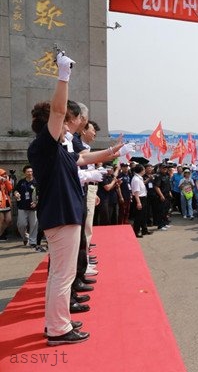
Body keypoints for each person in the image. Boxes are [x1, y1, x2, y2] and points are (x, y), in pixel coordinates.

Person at [27, 49, 123, 345]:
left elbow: (82, 159)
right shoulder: (44, 146)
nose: (70, 126)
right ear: (53, 125)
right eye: (66, 122)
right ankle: (59, 329)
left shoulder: (57, 150)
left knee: (60, 274)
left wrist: (110, 152)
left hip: (62, 214)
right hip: (60, 215)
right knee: (62, 275)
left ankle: (55, 323)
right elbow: (58, 112)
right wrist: (63, 75)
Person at [13, 165, 39, 249]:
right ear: (24, 173)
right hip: (22, 206)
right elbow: (15, 190)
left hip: (33, 207)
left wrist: (36, 202)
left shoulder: (36, 182)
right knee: (21, 224)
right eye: (28, 172)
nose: (30, 173)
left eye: (31, 171)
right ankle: (25, 237)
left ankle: (33, 241)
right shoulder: (21, 182)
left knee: (34, 225)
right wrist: (16, 193)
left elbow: (41, 194)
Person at [131, 164, 152, 238]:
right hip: (139, 198)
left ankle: (144, 229)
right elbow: (136, 191)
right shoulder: (136, 179)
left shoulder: (140, 178)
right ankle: (136, 231)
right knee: (139, 216)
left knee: (143, 215)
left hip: (143, 197)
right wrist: (138, 202)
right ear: (141, 170)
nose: (144, 170)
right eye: (143, 169)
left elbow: (142, 185)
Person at [0, 168, 13, 241]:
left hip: (6, 201)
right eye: (2, 174)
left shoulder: (5, 181)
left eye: (5, 174)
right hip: (0, 202)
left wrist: (7, 181)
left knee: (8, 220)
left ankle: (0, 233)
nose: (4, 175)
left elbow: (10, 188)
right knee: (1, 220)